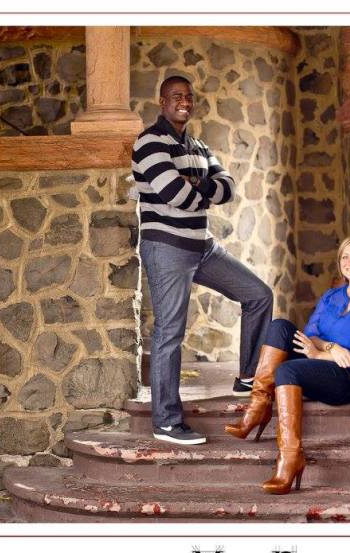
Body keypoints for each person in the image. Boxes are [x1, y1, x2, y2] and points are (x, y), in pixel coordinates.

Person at [132, 75, 273, 445]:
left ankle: (247, 376)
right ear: (162, 101)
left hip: (203, 246)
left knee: (259, 294)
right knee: (170, 333)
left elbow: (227, 187)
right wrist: (202, 188)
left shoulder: (197, 145)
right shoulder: (149, 142)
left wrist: (200, 187)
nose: (184, 101)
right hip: (167, 247)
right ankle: (165, 421)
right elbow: (174, 193)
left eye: (189, 96)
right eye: (176, 96)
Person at [224, 235, 350, 494]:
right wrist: (329, 348)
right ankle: (258, 407)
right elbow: (309, 334)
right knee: (279, 326)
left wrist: (320, 354)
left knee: (287, 370)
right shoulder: (331, 296)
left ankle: (290, 458)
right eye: (346, 256)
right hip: (322, 359)